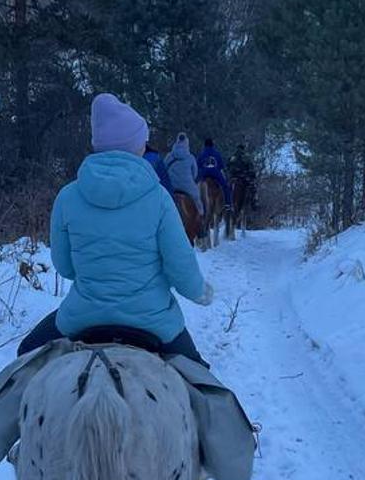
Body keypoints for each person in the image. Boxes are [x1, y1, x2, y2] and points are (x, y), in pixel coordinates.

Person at [17, 95, 214, 364]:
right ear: (136, 146)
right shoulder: (158, 197)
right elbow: (180, 265)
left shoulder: (68, 196)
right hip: (153, 321)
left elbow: (65, 267)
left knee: (25, 354)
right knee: (202, 382)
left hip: (81, 317)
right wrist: (199, 291)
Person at [165, 132, 203, 215]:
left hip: (171, 186)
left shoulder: (169, 156)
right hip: (187, 187)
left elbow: (164, 170)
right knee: (197, 198)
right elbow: (195, 173)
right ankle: (201, 219)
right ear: (187, 143)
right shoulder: (191, 157)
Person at [197, 137, 232, 206]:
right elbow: (221, 166)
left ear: (205, 145)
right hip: (215, 173)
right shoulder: (217, 154)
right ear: (213, 145)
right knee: (225, 186)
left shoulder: (201, 154)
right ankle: (228, 204)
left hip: (204, 174)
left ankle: (195, 203)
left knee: (194, 186)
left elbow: (197, 166)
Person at [228, 143, 258, 210]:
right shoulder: (246, 157)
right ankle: (254, 203)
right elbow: (251, 167)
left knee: (226, 187)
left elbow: (228, 166)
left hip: (233, 176)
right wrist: (252, 174)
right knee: (253, 187)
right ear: (243, 149)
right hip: (243, 177)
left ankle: (225, 203)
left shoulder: (233, 157)